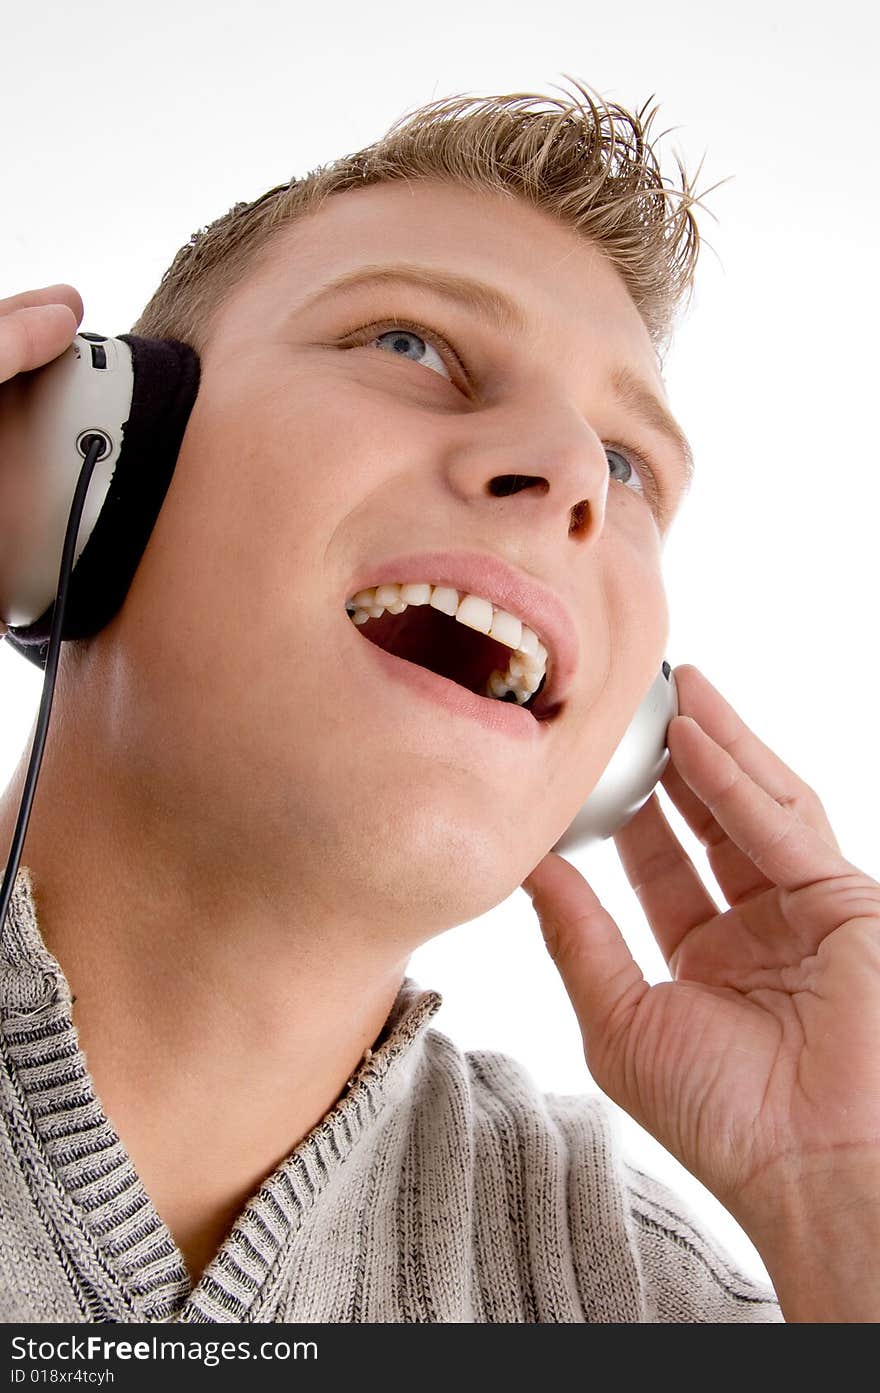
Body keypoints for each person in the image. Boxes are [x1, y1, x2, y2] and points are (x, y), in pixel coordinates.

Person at [0, 78, 877, 1324]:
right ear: (83, 468)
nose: (574, 473)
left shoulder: (665, 1300)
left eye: (627, 468)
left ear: (619, 749)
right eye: (410, 344)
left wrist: (845, 1204)